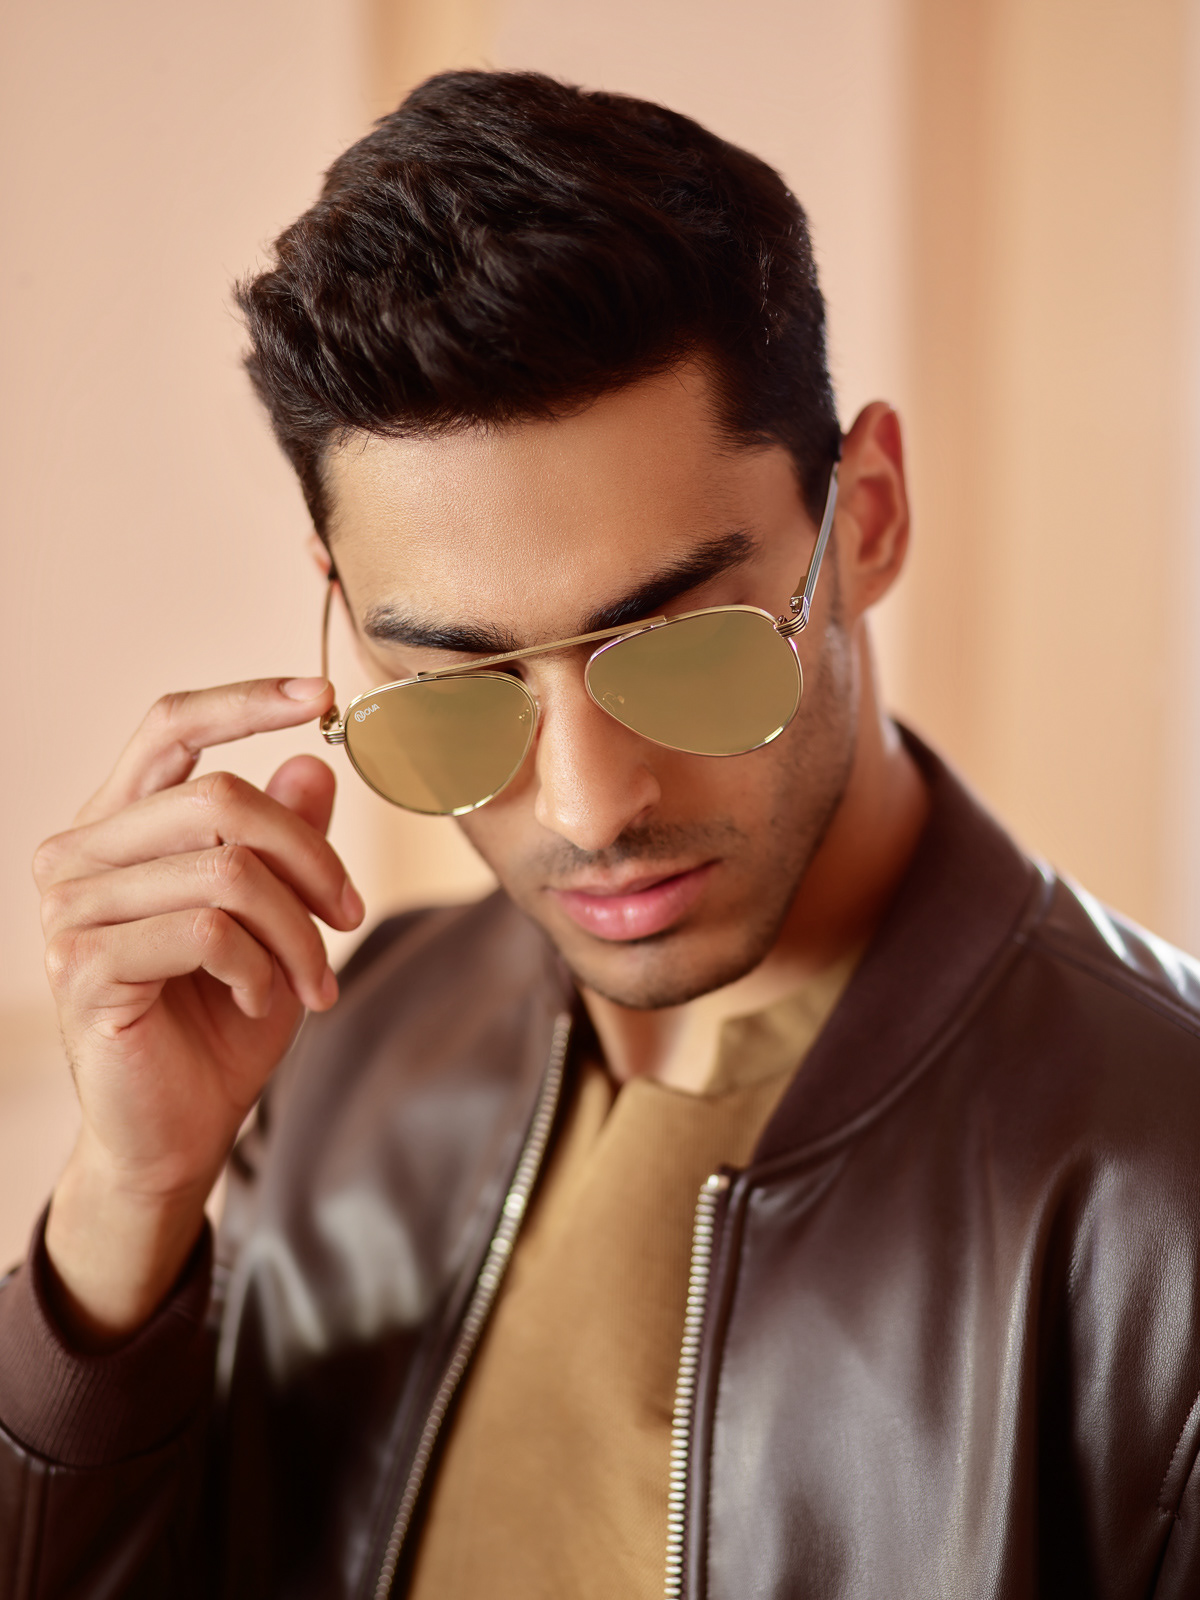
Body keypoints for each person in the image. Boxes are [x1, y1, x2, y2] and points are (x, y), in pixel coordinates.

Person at [2, 68, 1199, 1600]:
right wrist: (129, 1205)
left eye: (683, 649)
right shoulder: (345, 1052)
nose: (587, 807)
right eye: (458, 685)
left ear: (869, 517)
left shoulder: (1164, 1200)